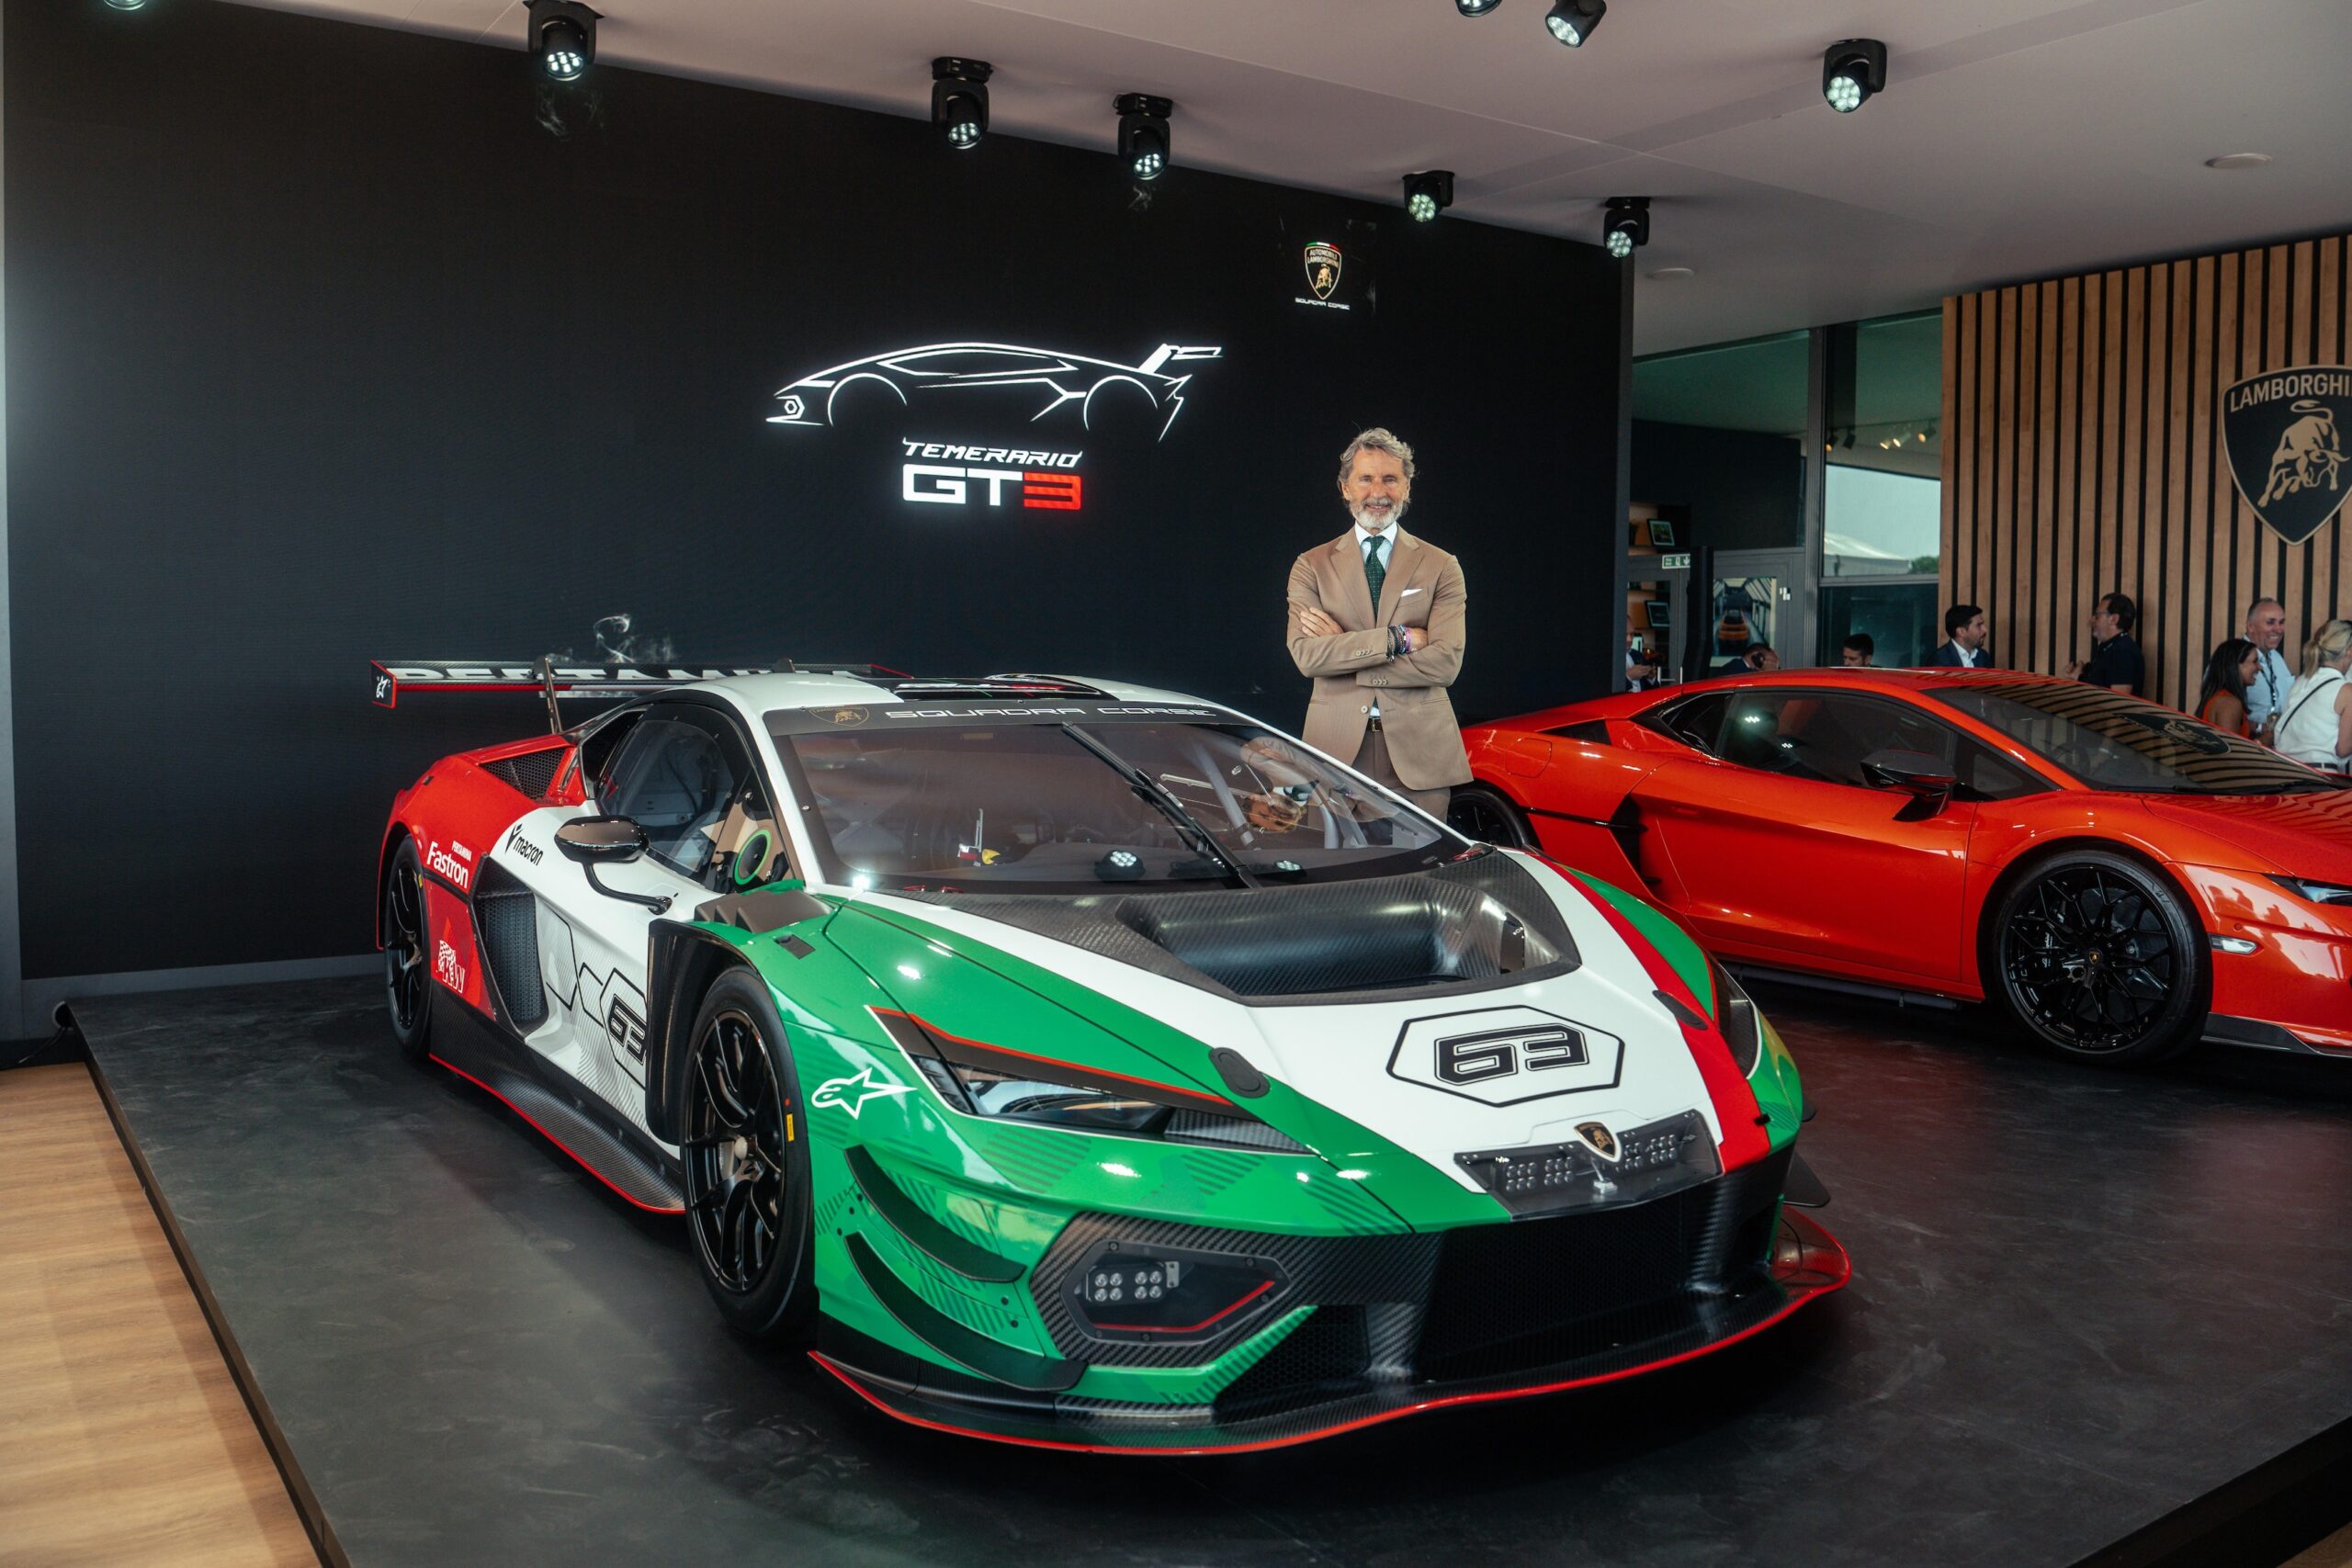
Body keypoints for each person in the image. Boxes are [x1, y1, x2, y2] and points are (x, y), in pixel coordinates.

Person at [1286, 427, 1469, 818]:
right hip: (1334, 752)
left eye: (1390, 479)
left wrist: (1346, 653)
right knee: (1339, 875)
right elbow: (1308, 658)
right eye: (1365, 478)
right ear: (1345, 488)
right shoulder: (1311, 566)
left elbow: (1445, 663)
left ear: (1407, 488)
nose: (1378, 491)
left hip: (1421, 756)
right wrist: (1398, 638)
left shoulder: (1442, 565)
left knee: (1422, 876)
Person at [2276, 619, 2352, 772]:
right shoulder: (2346, 691)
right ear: (2349, 651)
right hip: (2319, 775)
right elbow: (2343, 749)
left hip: (2285, 770)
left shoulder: (2300, 681)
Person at [2064, 592, 2143, 695]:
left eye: (2097, 615)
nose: (2091, 620)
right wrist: (2080, 676)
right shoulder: (2109, 646)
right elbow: (2101, 685)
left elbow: (2119, 701)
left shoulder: (2123, 652)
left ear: (2114, 619)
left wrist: (2079, 678)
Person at [2242, 598, 2294, 743]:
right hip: (2248, 751)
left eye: (2281, 622)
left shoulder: (2277, 658)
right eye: (2270, 622)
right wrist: (2260, 728)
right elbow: (2222, 708)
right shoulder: (2233, 659)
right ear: (2251, 626)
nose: (2278, 629)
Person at [2195, 637, 2259, 738]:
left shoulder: (2222, 699)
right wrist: (2263, 742)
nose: (2260, 667)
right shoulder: (2230, 703)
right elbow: (2230, 751)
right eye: (2255, 661)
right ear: (2236, 664)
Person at [1928, 604, 1988, 668]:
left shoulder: (1983, 656)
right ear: (1961, 631)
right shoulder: (1940, 660)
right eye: (1979, 625)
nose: (1985, 630)